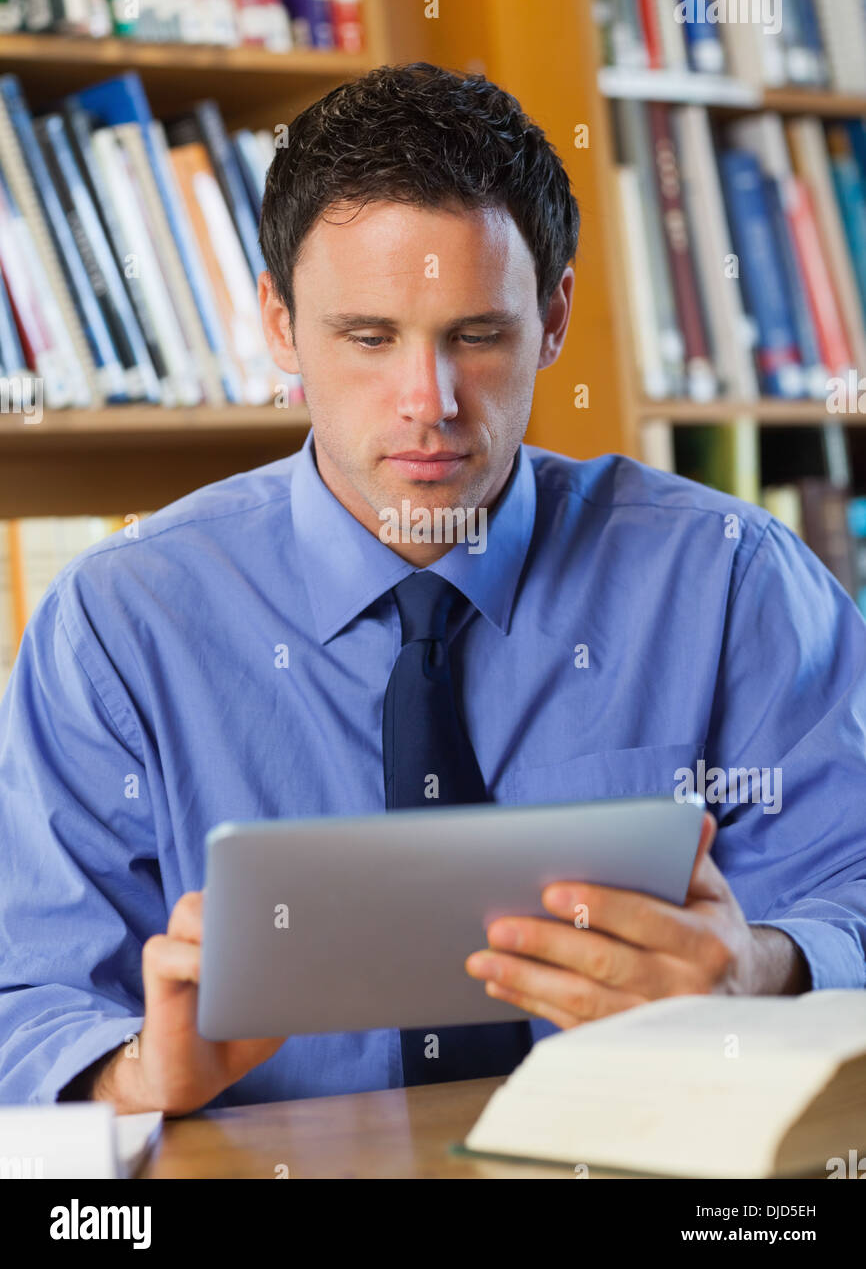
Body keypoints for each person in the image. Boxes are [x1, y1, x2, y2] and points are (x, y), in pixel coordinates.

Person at [1, 63, 864, 1118]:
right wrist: (136, 1073)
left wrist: (762, 965)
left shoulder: (728, 579)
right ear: (279, 324)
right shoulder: (119, 626)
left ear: (551, 319)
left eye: (476, 334)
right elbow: (26, 998)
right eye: (367, 339)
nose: (428, 403)